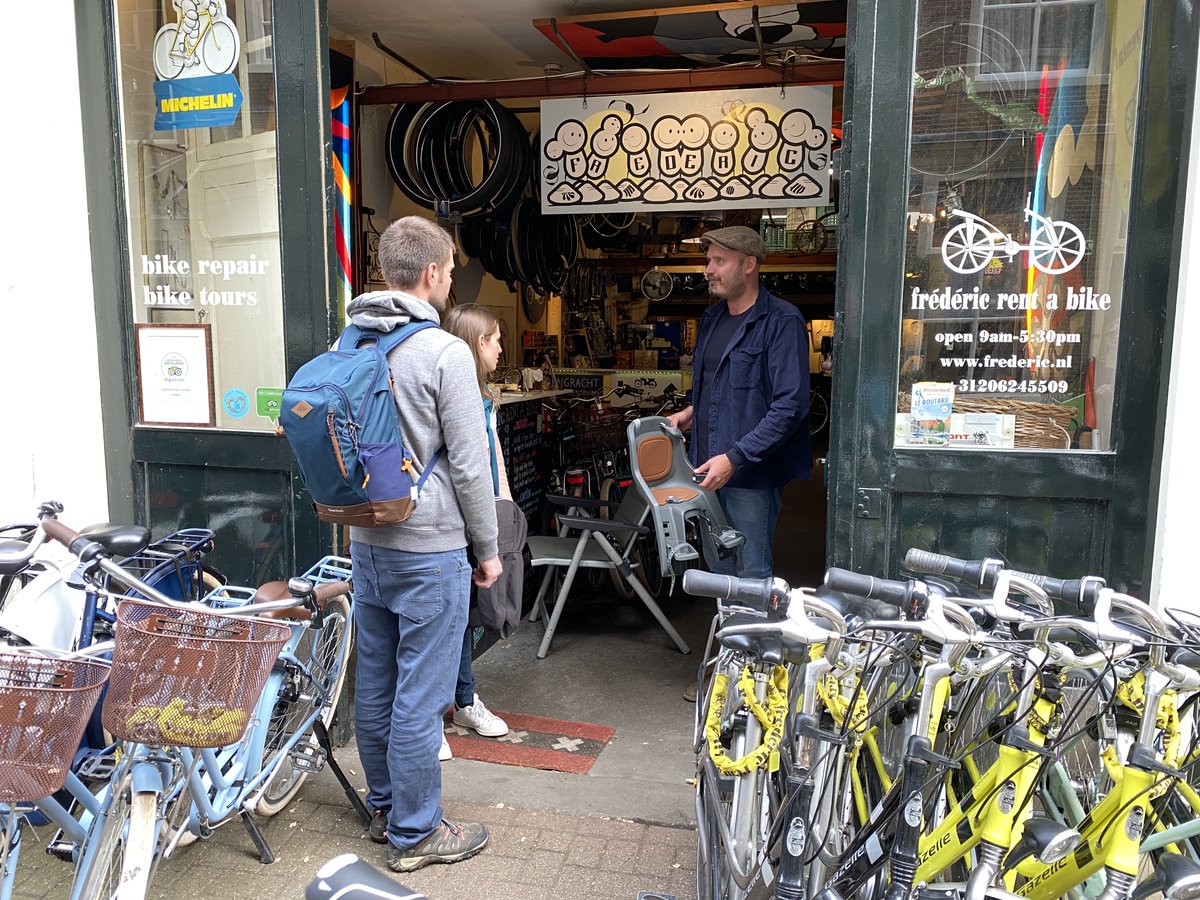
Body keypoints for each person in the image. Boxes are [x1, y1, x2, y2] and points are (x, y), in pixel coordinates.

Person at [347, 216, 500, 873]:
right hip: (430, 545)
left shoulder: (350, 339)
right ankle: (417, 833)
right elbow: (469, 465)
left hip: (367, 538)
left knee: (377, 682)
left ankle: (386, 809)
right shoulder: (444, 353)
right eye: (452, 269)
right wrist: (488, 547)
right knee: (422, 695)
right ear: (433, 274)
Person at [668, 224, 811, 580]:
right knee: (718, 567)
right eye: (709, 260)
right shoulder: (712, 319)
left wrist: (736, 458)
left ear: (749, 265)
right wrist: (691, 411)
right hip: (705, 468)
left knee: (750, 571)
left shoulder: (781, 320)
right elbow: (716, 387)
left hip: (750, 474)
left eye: (719, 260)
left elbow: (789, 405)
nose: (709, 270)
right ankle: (731, 636)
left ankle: (752, 636)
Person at [437, 304, 513, 759]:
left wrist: (500, 508)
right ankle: (435, 717)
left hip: (473, 519)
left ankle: (463, 701)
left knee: (462, 617)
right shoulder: (453, 392)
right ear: (478, 343)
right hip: (448, 523)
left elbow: (489, 460)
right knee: (444, 621)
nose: (502, 347)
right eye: (496, 338)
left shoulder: (484, 395)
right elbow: (463, 468)